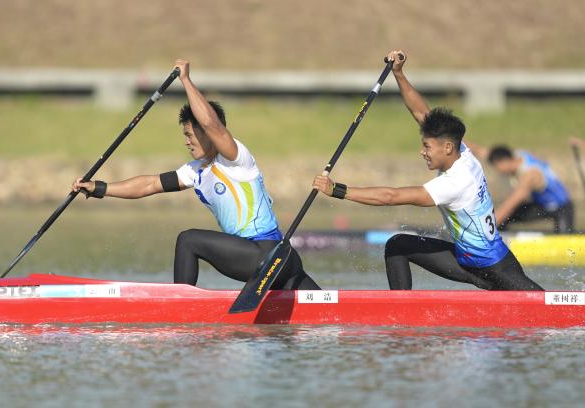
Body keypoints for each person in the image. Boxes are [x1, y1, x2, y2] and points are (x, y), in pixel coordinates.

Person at [73, 59, 320, 290]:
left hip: (265, 254)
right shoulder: (194, 172)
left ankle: (180, 304)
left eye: (190, 135)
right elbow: (149, 185)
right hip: (282, 262)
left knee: (188, 240)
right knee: (328, 310)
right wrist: (99, 188)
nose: (187, 142)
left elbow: (212, 125)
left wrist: (186, 81)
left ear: (206, 134)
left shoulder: (236, 159)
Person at [312, 50, 543, 291]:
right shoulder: (460, 150)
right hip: (464, 261)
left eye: (426, 146)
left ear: (446, 147)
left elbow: (392, 197)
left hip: (495, 267)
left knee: (540, 303)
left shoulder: (456, 182)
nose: (422, 151)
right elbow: (421, 113)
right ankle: (401, 315)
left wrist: (337, 190)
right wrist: (399, 74)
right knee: (397, 246)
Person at [465, 141, 573, 234]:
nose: (498, 171)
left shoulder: (529, 176)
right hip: (540, 203)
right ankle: (500, 238)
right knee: (506, 219)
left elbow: (510, 204)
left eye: (497, 167)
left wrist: (486, 229)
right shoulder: (515, 156)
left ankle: (492, 235)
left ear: (504, 161)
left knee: (566, 243)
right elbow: (478, 150)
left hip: (561, 207)